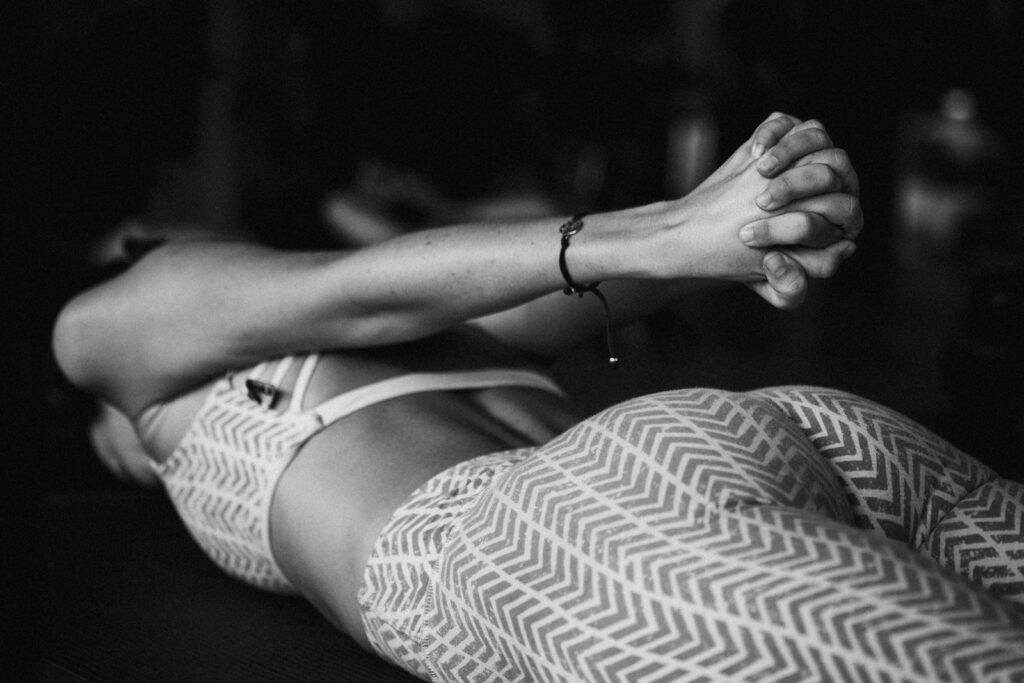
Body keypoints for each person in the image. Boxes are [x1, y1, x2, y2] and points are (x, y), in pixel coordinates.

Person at [53, 114, 1024, 682]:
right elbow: (380, 288)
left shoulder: (134, 326)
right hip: (727, 447)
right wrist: (720, 226)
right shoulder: (123, 327)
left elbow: (370, 286)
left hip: (561, 530)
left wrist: (729, 218)